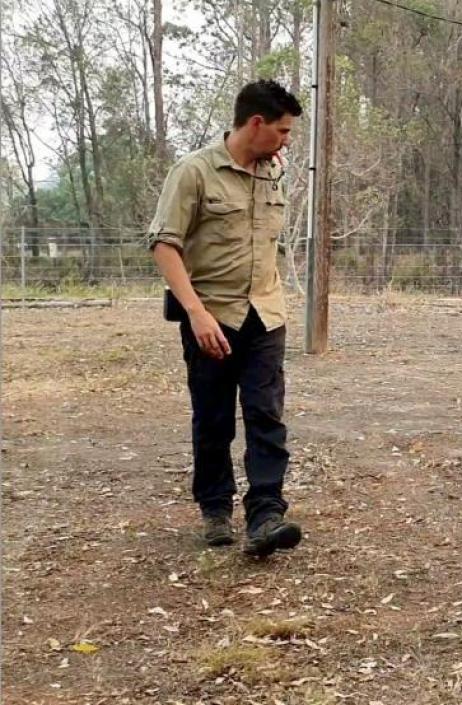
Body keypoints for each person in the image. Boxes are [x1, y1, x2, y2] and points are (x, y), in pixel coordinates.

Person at [147, 79, 304, 557]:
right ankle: (216, 509)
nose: (286, 141)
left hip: (265, 314)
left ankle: (266, 514)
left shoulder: (272, 172)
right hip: (212, 318)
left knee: (265, 414)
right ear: (256, 123)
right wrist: (196, 314)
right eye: (281, 131)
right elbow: (164, 244)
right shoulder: (194, 172)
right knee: (213, 418)